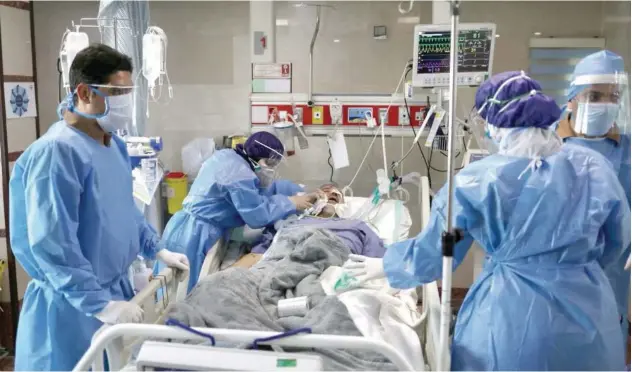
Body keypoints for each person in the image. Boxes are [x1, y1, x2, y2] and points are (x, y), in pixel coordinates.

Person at [343, 71, 630, 370]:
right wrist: (576, 268)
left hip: (512, 320)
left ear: (494, 125)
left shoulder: (476, 182)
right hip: (589, 316)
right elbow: (618, 244)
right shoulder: (593, 166)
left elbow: (440, 252)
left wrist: (386, 265)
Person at [9, 44, 190, 371]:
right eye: (116, 92)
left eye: (128, 92)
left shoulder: (113, 145)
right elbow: (52, 243)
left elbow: (122, 210)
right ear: (83, 91)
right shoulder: (57, 154)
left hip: (110, 293)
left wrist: (156, 249)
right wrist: (100, 304)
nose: (125, 102)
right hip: (70, 307)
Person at [158, 132, 318, 292]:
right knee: (180, 290)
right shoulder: (238, 175)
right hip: (193, 234)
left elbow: (263, 192)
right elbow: (257, 214)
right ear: (261, 159)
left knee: (178, 287)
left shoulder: (230, 157)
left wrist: (299, 192)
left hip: (189, 226)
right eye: (271, 164)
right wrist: (290, 202)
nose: (271, 170)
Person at [556, 50, 631, 343]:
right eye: (595, 96)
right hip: (551, 275)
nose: (606, 104)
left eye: (614, 96)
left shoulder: (628, 150)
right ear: (571, 98)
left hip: (610, 276)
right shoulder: (543, 144)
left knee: (603, 344)